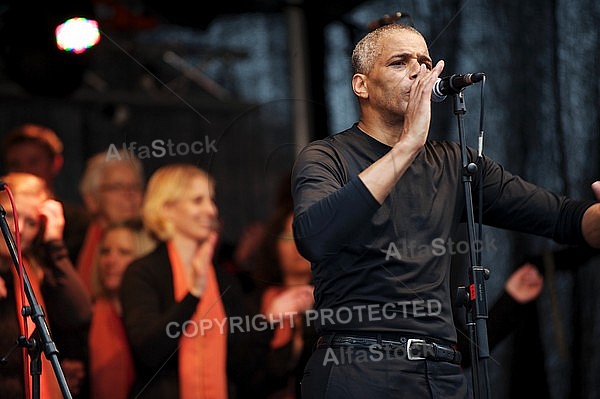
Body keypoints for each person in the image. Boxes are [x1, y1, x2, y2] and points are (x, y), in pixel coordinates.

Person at [290, 23, 600, 399]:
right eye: (399, 62)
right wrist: (407, 146)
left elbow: (565, 219)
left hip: (441, 373)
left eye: (424, 60)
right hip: (357, 367)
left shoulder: (455, 163)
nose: (418, 70)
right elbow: (315, 236)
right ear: (362, 86)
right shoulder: (326, 157)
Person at [119, 163, 270, 399]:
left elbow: (243, 369)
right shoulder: (142, 273)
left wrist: (268, 322)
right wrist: (194, 294)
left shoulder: (224, 279)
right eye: (198, 200)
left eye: (211, 199)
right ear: (167, 208)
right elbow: (149, 352)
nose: (211, 210)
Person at [0, 172, 92, 399]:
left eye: (30, 222)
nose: (18, 230)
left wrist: (54, 241)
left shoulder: (34, 273)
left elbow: (78, 314)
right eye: (11, 216)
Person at [250, 176, 315, 399]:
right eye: (288, 236)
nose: (298, 245)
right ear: (273, 246)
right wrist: (270, 320)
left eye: (304, 235)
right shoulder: (256, 302)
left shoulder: (334, 300)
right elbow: (249, 374)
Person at [0, 123, 91, 273]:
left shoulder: (79, 223)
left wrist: (55, 244)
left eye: (34, 162)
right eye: (15, 164)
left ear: (55, 163)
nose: (25, 170)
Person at [88, 220, 156, 399]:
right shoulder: (85, 317)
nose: (111, 260)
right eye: (105, 251)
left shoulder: (155, 320)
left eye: (124, 252)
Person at [76, 149, 145, 294]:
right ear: (92, 199)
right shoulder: (73, 244)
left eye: (135, 186)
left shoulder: (156, 245)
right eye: (117, 187)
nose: (129, 194)